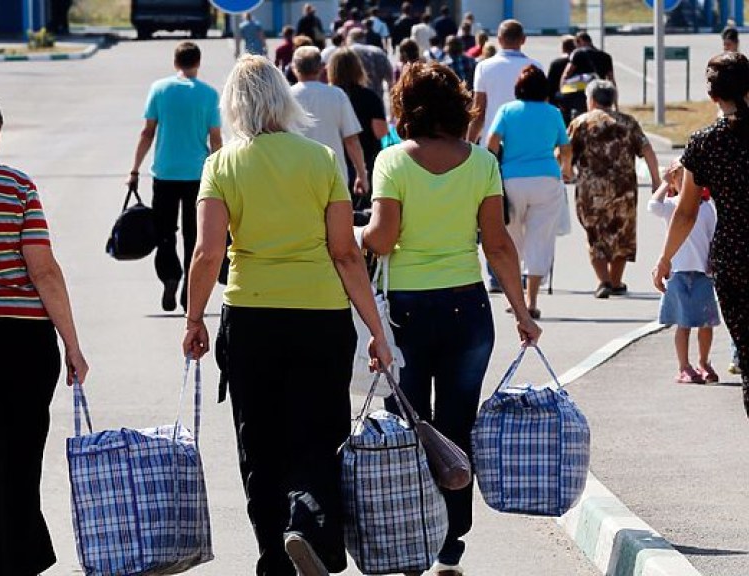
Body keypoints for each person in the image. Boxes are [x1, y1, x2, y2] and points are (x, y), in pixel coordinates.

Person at [182, 54, 393, 576]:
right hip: (321, 316)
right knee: (320, 432)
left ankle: (273, 554)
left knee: (259, 439)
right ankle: (311, 530)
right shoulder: (321, 159)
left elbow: (207, 253)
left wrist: (194, 318)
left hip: (251, 318)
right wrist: (375, 328)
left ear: (234, 106)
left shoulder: (222, 165)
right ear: (283, 99)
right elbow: (346, 252)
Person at [362, 61, 541, 576]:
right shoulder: (482, 162)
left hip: (407, 313)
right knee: (457, 422)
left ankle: (413, 534)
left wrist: (352, 238)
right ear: (458, 106)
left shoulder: (392, 161)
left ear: (406, 105)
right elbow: (498, 243)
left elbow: (382, 239)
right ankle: (452, 539)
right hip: (468, 308)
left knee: (411, 425)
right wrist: (522, 311)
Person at [0, 92, 89, 575]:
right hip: (23, 341)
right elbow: (43, 270)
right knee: (22, 457)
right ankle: (17, 557)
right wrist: (72, 343)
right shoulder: (17, 186)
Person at [652, 51, 749, 416]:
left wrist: (665, 259)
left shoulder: (706, 142)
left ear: (713, 97)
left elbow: (686, 211)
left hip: (735, 259)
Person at [129, 41, 222, 312]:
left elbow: (147, 132)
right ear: (198, 62)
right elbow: (215, 138)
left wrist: (134, 168)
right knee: (195, 235)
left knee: (165, 232)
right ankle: (189, 292)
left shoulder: (160, 89)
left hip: (165, 172)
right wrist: (222, 171)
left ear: (175, 62)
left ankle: (170, 275)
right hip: (198, 174)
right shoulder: (208, 94)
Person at [486, 64, 572, 318]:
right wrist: (565, 169)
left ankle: (515, 301)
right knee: (540, 240)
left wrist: (493, 169)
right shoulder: (553, 113)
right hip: (546, 178)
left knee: (512, 241)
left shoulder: (507, 111)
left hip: (512, 180)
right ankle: (531, 300)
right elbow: (565, 148)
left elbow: (491, 143)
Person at [467, 18, 541, 292]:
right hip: (527, 146)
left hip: (492, 147)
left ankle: (497, 274)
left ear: (498, 40)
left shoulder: (484, 67)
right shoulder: (535, 67)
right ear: (523, 40)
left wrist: (468, 143)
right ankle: (524, 270)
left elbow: (478, 110)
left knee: (494, 211)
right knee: (527, 216)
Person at [569, 79, 660, 299]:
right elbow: (647, 150)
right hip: (624, 189)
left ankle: (603, 281)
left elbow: (565, 151)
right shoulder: (628, 123)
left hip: (591, 190)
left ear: (591, 100)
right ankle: (616, 281)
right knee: (622, 235)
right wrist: (656, 180)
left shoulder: (581, 122)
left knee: (595, 234)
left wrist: (565, 170)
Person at [648, 159, 720, 384]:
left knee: (706, 322)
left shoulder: (707, 206)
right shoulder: (673, 205)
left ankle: (704, 361)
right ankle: (684, 366)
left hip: (702, 272)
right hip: (678, 272)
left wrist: (713, 260)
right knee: (684, 323)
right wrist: (664, 183)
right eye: (681, 178)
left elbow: (712, 234)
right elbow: (653, 206)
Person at [290, 46, 369, 197]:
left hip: (296, 174)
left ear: (295, 68)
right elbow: (351, 140)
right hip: (333, 173)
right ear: (321, 68)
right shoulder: (337, 95)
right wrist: (361, 174)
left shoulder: (287, 97)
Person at [327, 48, 388, 205]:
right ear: (358, 69)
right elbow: (381, 132)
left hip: (334, 161)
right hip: (366, 161)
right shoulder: (369, 97)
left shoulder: (330, 96)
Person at [346, 28, 394, 100]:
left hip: (353, 100)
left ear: (349, 38)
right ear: (364, 37)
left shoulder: (347, 53)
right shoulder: (378, 51)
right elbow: (390, 78)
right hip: (377, 98)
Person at [547, 34, 578, 125]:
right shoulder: (578, 62)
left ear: (563, 48)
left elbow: (550, 86)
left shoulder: (556, 63)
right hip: (576, 101)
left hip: (559, 102)